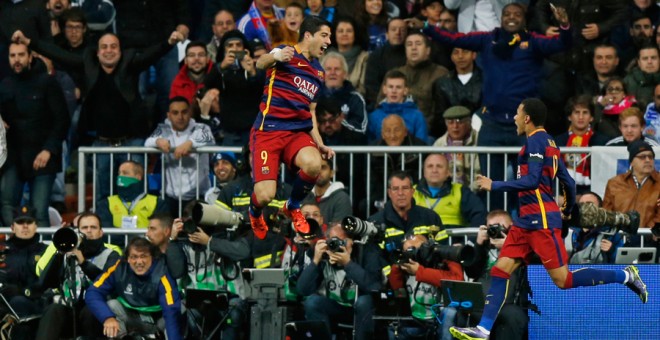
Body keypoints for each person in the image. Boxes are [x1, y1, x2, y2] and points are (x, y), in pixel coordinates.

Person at [452, 98, 649, 340]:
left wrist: (496, 184)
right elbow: (566, 179)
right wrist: (568, 205)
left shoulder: (536, 140)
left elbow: (533, 180)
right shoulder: (550, 143)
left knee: (563, 280)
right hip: (525, 222)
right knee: (501, 270)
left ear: (527, 118)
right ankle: (483, 330)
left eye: (517, 113)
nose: (513, 118)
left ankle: (626, 275)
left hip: (541, 222)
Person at [408, 3, 572, 211]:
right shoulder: (487, 39)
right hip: (492, 124)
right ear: (500, 18)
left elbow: (562, 44)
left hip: (524, 126)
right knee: (490, 183)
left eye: (517, 14)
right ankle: (494, 224)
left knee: (530, 183)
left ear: (524, 19)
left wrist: (565, 25)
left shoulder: (533, 42)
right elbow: (454, 39)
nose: (512, 17)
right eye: (507, 14)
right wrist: (426, 27)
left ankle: (527, 223)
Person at [12, 29, 186, 204]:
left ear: (120, 50)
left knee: (135, 195)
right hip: (102, 144)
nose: (109, 51)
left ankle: (136, 231)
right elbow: (59, 54)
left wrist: (169, 42)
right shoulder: (88, 64)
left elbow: (151, 55)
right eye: (104, 47)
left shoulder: (131, 62)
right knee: (104, 196)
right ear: (97, 52)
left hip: (132, 143)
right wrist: (29, 42)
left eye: (113, 47)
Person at [248, 16, 334, 239]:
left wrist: (320, 143)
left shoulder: (318, 73)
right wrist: (275, 55)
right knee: (266, 195)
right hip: (268, 131)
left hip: (296, 132)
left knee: (315, 164)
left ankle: (293, 206)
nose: (329, 41)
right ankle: (254, 211)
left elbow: (311, 112)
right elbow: (260, 63)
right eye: (324, 35)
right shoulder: (286, 53)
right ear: (308, 35)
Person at [0, 41, 69, 229]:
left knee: (39, 210)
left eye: (21, 55)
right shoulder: (4, 85)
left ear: (30, 57)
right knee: (6, 205)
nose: (17, 60)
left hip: (43, 155)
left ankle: (44, 255)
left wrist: (49, 149)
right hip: (13, 155)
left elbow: (62, 120)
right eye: (12, 56)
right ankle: (15, 249)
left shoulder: (47, 82)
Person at [35, 212, 122, 340]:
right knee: (53, 310)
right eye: (84, 228)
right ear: (78, 232)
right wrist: (59, 254)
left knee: (90, 310)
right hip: (69, 309)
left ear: (101, 232)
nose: (89, 231)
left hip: (96, 311)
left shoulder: (111, 254)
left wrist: (83, 263)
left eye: (93, 227)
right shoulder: (67, 253)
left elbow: (110, 284)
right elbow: (44, 283)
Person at [297, 224, 384, 340]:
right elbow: (303, 290)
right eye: (334, 241)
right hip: (337, 308)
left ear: (352, 241)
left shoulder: (366, 252)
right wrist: (316, 261)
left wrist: (348, 264)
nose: (338, 246)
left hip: (363, 310)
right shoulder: (323, 257)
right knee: (312, 302)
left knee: (365, 301)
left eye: (343, 242)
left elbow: (374, 286)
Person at [85, 237, 182, 339]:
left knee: (179, 311)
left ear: (152, 258)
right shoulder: (119, 267)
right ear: (127, 259)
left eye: (143, 256)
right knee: (112, 305)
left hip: (159, 321)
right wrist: (107, 317)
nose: (139, 262)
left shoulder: (162, 272)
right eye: (134, 257)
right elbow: (93, 292)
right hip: (132, 318)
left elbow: (171, 311)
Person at [461, 209, 533, 340]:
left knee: (511, 316)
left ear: (511, 227)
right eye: (491, 228)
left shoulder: (522, 245)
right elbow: (471, 272)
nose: (496, 232)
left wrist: (509, 246)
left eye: (500, 227)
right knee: (459, 312)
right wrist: (478, 245)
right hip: (480, 304)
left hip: (508, 304)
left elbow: (532, 268)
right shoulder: (484, 248)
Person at [145, 96, 215, 217]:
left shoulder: (200, 128)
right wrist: (158, 141)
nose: (180, 117)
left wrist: (190, 143)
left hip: (197, 196)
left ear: (190, 112)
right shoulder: (163, 129)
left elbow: (209, 138)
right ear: (169, 115)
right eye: (175, 113)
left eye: (184, 112)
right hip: (170, 196)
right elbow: (147, 143)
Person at [388, 233, 464, 340]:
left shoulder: (441, 259)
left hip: (439, 319)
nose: (412, 255)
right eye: (407, 251)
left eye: (414, 250)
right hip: (418, 321)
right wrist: (398, 264)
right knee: (393, 328)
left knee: (450, 313)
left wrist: (420, 272)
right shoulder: (407, 267)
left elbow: (457, 280)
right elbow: (397, 288)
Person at [204, 29, 264, 147]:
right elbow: (207, 83)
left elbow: (263, 90)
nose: (234, 48)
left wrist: (252, 72)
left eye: (238, 45)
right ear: (224, 49)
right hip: (229, 133)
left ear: (244, 48)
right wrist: (221, 66)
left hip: (253, 133)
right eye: (230, 45)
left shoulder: (255, 69)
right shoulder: (220, 71)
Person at [0, 206, 48, 339]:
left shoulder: (46, 251)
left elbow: (48, 282)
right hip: (4, 301)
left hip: (36, 302)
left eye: (29, 222)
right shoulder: (2, 250)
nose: (25, 226)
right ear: (12, 227)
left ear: (36, 226)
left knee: (18, 302)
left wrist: (22, 291)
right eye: (20, 222)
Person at [369, 171, 444, 252]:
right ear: (389, 193)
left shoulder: (431, 218)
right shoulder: (375, 222)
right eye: (395, 189)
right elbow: (373, 258)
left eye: (405, 188)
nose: (400, 193)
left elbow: (443, 250)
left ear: (412, 191)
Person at [413, 153, 486, 229]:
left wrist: (469, 240)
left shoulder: (460, 191)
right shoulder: (411, 192)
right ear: (424, 172)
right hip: (419, 239)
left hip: (452, 240)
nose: (434, 170)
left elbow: (479, 214)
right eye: (430, 166)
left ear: (448, 172)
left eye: (439, 166)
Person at [396, 31, 449, 135]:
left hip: (429, 134)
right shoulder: (396, 74)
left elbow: (440, 112)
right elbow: (381, 104)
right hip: (396, 132)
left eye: (418, 44)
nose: (414, 48)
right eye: (409, 44)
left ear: (428, 50)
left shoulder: (440, 73)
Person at [603, 140, 659, 230]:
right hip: (619, 240)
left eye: (650, 157)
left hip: (650, 239)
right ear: (631, 162)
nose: (648, 160)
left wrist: (645, 234)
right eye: (642, 157)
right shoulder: (614, 183)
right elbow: (607, 214)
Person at [96, 160, 169, 230]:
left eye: (125, 173)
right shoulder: (107, 203)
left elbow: (159, 231)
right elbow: (105, 231)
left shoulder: (157, 203)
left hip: (146, 243)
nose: (120, 176)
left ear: (138, 177)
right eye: (119, 173)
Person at [432, 47, 482, 138]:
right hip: (450, 135)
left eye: (465, 52)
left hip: (480, 134)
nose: (460, 56)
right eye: (456, 52)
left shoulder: (486, 80)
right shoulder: (442, 83)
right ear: (451, 57)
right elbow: (440, 118)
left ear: (474, 55)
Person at [367, 69, 429, 143]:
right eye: (390, 87)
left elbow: (421, 145)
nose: (394, 91)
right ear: (384, 89)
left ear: (405, 91)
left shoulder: (417, 116)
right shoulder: (374, 116)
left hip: (410, 154)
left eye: (398, 87)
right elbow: (370, 144)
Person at [564, 192, 624, 264]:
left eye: (589, 204)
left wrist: (612, 250)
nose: (585, 208)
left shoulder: (610, 233)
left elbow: (623, 261)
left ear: (600, 210)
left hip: (600, 273)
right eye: (581, 204)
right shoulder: (567, 231)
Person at [432, 106, 481, 188]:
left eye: (460, 122)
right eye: (450, 122)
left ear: (469, 123)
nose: (455, 126)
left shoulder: (479, 140)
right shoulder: (439, 144)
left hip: (474, 191)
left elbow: (481, 174)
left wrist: (466, 193)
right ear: (446, 124)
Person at [364, 18, 407, 109]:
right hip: (381, 104)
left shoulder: (410, 55)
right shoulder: (376, 56)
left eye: (402, 30)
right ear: (387, 34)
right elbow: (371, 86)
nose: (398, 33)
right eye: (393, 29)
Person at [321, 51, 368, 134]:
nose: (332, 73)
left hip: (346, 145)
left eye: (337, 69)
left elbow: (362, 130)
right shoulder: (313, 97)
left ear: (345, 74)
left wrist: (342, 123)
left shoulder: (355, 98)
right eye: (328, 69)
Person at [303, 158, 352, 224]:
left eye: (323, 168)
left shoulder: (341, 198)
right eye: (315, 168)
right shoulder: (303, 195)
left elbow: (339, 231)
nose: (318, 171)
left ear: (332, 173)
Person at [169, 41, 213, 105]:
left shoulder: (218, 79)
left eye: (201, 55)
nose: (196, 58)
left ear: (207, 59)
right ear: (185, 60)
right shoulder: (177, 82)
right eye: (192, 55)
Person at [623, 44, 660, 109]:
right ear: (639, 62)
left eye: (653, 58)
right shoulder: (627, 82)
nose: (649, 62)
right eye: (645, 58)